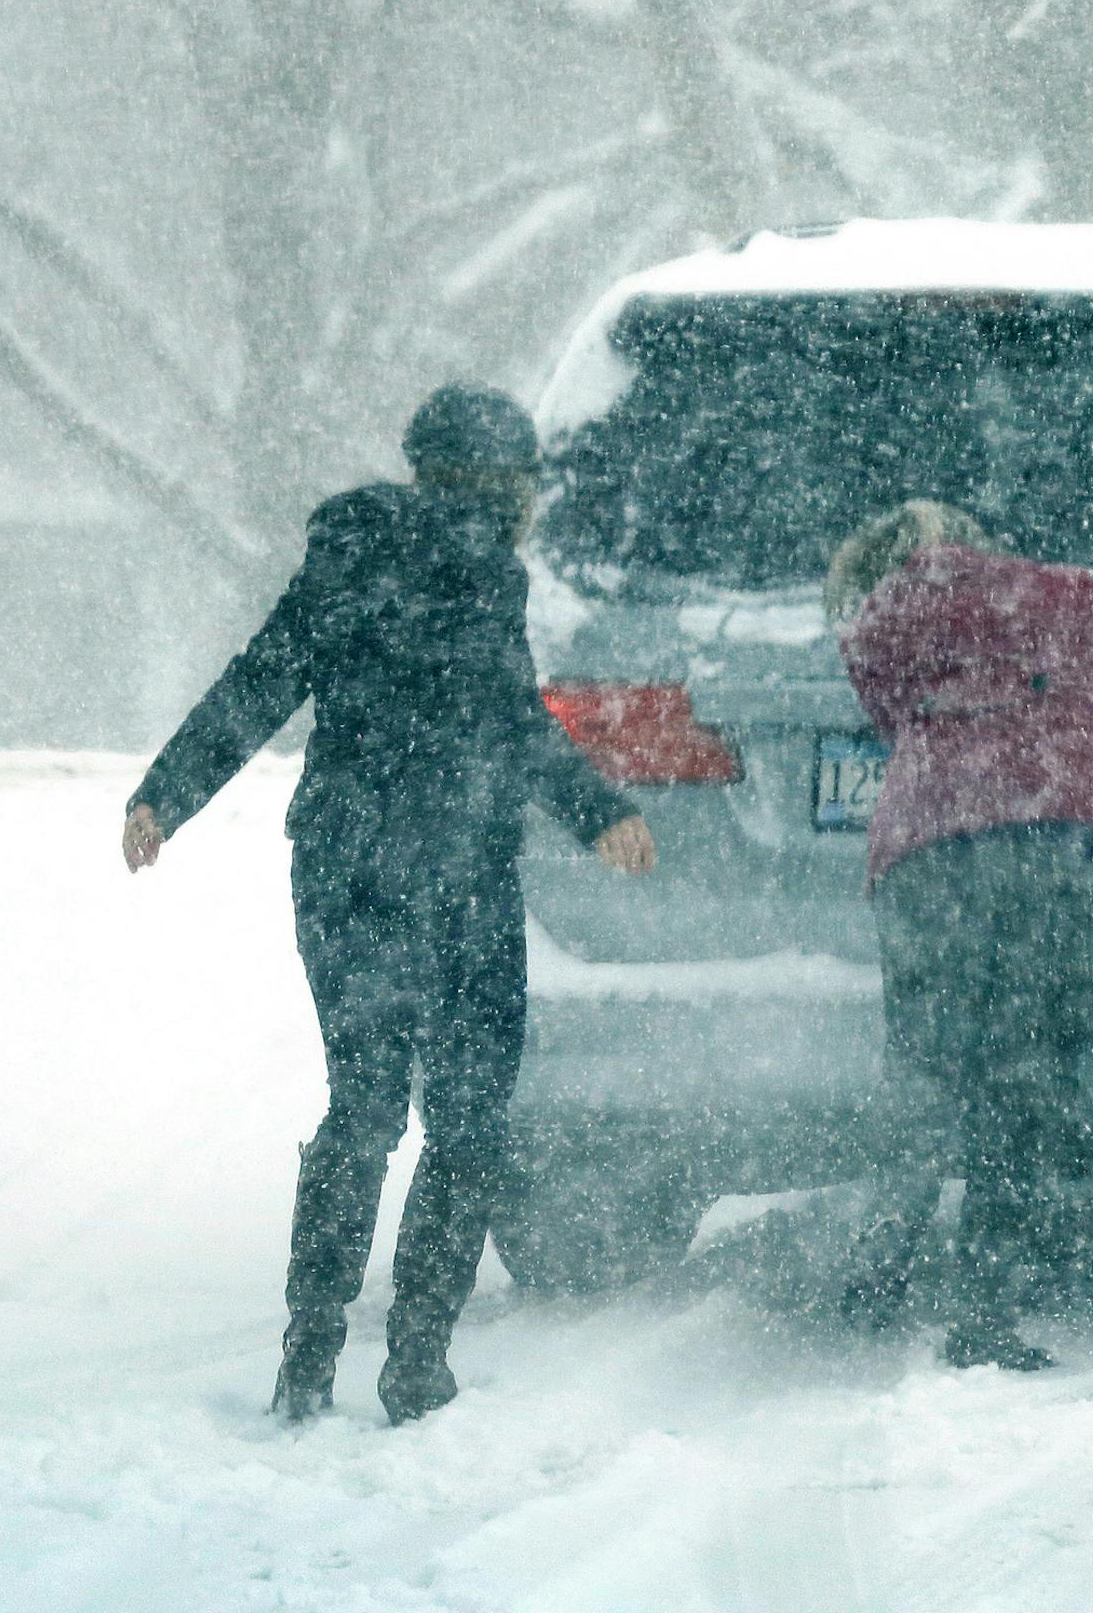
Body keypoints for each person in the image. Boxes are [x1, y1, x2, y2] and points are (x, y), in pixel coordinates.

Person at [121, 383, 657, 1425]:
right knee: (465, 1120)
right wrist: (599, 812)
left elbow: (258, 682)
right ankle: (416, 1354)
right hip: (457, 871)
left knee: (361, 1105)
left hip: (346, 862)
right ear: (504, 483)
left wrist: (165, 792)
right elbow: (512, 722)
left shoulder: (346, 554)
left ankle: (311, 1348)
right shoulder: (484, 566)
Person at [828, 500, 1093, 1370]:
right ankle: (983, 1317)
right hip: (1058, 837)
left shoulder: (881, 616)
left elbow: (886, 712)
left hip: (926, 848)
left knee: (920, 1065)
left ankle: (875, 1270)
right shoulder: (1059, 593)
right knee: (1026, 1079)